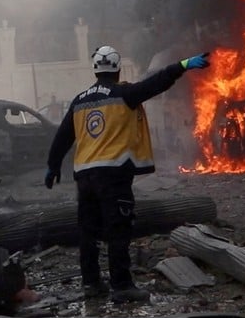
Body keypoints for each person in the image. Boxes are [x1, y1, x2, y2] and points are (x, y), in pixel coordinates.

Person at [45, 45, 210, 304]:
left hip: (85, 176)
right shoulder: (124, 94)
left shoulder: (79, 100)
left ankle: (91, 284)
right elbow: (156, 83)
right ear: (118, 69)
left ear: (95, 70)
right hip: (113, 175)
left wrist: (52, 167)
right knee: (118, 229)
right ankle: (122, 286)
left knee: (87, 232)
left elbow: (62, 137)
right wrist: (184, 65)